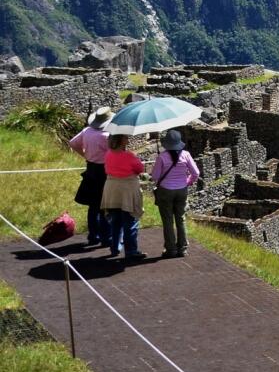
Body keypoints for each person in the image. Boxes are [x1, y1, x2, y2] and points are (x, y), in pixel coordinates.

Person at [68, 107, 114, 248]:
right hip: (104, 171)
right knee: (105, 205)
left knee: (93, 206)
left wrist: (85, 155)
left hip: (91, 169)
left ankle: (93, 235)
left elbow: (73, 143)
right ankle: (106, 237)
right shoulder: (107, 136)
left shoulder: (86, 131)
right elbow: (114, 153)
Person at [151, 130, 201, 258]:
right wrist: (188, 182)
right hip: (182, 190)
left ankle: (171, 249)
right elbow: (196, 173)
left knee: (167, 221)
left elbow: (155, 176)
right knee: (181, 219)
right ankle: (182, 248)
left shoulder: (162, 157)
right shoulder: (186, 155)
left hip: (166, 190)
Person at [100, 133, 146, 261]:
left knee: (116, 221)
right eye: (125, 137)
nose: (128, 139)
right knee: (130, 221)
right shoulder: (129, 156)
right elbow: (139, 168)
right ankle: (131, 251)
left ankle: (115, 247)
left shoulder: (108, 154)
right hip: (127, 190)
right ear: (121, 140)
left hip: (112, 189)